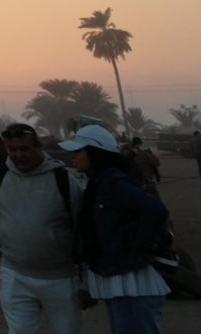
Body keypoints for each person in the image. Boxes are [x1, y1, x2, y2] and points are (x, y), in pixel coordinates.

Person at [62, 122, 169, 331]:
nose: (73, 156)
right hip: (118, 280)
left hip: (131, 282)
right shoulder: (98, 182)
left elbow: (155, 210)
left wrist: (137, 250)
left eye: (78, 151)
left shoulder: (113, 181)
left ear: (95, 153)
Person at [0, 122, 83, 334]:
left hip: (60, 278)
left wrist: (87, 281)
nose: (18, 155)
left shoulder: (64, 181)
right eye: (12, 149)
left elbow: (84, 232)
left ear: (38, 147)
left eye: (24, 149)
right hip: (15, 276)